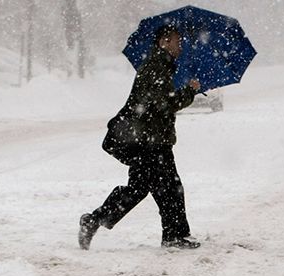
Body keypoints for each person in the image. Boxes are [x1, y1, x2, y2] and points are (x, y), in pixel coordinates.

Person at [79, 25, 202, 250]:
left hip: (148, 139)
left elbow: (160, 102)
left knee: (139, 188)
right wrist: (190, 91)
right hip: (150, 141)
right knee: (170, 188)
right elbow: (165, 103)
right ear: (164, 42)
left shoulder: (161, 66)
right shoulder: (156, 66)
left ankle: (94, 220)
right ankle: (174, 235)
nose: (180, 46)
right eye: (177, 41)